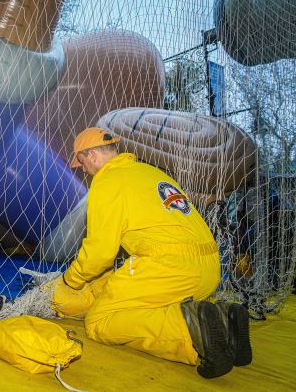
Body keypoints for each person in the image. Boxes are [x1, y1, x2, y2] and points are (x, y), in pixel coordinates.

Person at [49, 127, 252, 379]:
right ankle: (225, 323)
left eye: (80, 161)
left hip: (168, 266)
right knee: (143, 305)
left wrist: (71, 281)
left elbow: (100, 253)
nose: (81, 168)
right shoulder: (151, 172)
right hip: (209, 269)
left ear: (90, 155)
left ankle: (191, 335)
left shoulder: (108, 181)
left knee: (101, 321)